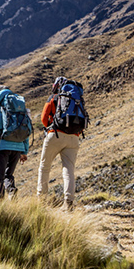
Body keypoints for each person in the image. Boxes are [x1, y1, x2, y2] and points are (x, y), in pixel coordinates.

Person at [37, 77, 86, 210]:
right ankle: (68, 203)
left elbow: (43, 118)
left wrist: (50, 127)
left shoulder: (54, 97)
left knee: (44, 167)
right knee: (68, 170)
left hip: (56, 134)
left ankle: (42, 201)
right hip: (74, 138)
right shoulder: (77, 99)